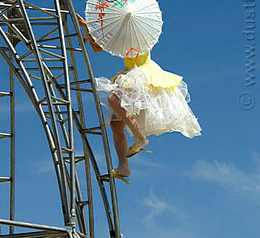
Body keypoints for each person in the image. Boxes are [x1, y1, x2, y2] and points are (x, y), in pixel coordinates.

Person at [77, 14, 201, 184]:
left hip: (143, 73)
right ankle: (124, 166)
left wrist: (90, 32)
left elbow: (103, 46)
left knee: (114, 99)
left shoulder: (138, 35)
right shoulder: (121, 35)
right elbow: (98, 48)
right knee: (115, 123)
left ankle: (140, 137)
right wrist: (87, 30)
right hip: (132, 74)